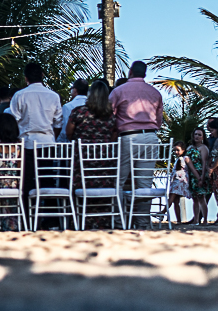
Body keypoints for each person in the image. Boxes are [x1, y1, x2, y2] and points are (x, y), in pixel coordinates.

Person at [110, 60, 164, 228]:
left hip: (127, 137)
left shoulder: (119, 91)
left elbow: (110, 116)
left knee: (118, 181)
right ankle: (141, 222)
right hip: (150, 136)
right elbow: (159, 120)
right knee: (144, 183)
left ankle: (120, 222)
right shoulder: (155, 93)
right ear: (145, 74)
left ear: (130, 72)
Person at [66, 80, 119, 229]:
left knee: (78, 183)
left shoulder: (78, 112)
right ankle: (103, 221)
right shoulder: (110, 116)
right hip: (104, 166)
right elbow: (115, 134)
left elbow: (68, 133)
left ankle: (79, 221)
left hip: (82, 163)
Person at [9, 62, 62, 148]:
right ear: (42, 75)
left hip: (26, 143)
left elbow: (13, 121)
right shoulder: (54, 96)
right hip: (48, 143)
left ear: (26, 78)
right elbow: (58, 123)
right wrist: (52, 137)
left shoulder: (19, 95)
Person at [185, 128, 211, 225]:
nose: (197, 136)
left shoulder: (203, 148)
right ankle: (196, 220)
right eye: (196, 134)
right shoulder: (189, 147)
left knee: (201, 198)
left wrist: (202, 177)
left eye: (199, 135)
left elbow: (204, 163)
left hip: (200, 174)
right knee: (194, 199)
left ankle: (204, 220)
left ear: (203, 137)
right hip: (191, 176)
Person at [57, 78, 89, 143]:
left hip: (71, 144)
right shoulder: (93, 105)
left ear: (75, 90)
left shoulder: (68, 106)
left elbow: (64, 129)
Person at [168, 142, 192, 225]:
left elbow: (191, 168)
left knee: (171, 197)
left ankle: (163, 211)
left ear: (183, 150)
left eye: (178, 150)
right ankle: (178, 220)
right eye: (175, 150)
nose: (176, 152)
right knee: (175, 201)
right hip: (176, 181)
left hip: (179, 182)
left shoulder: (185, 158)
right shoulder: (178, 160)